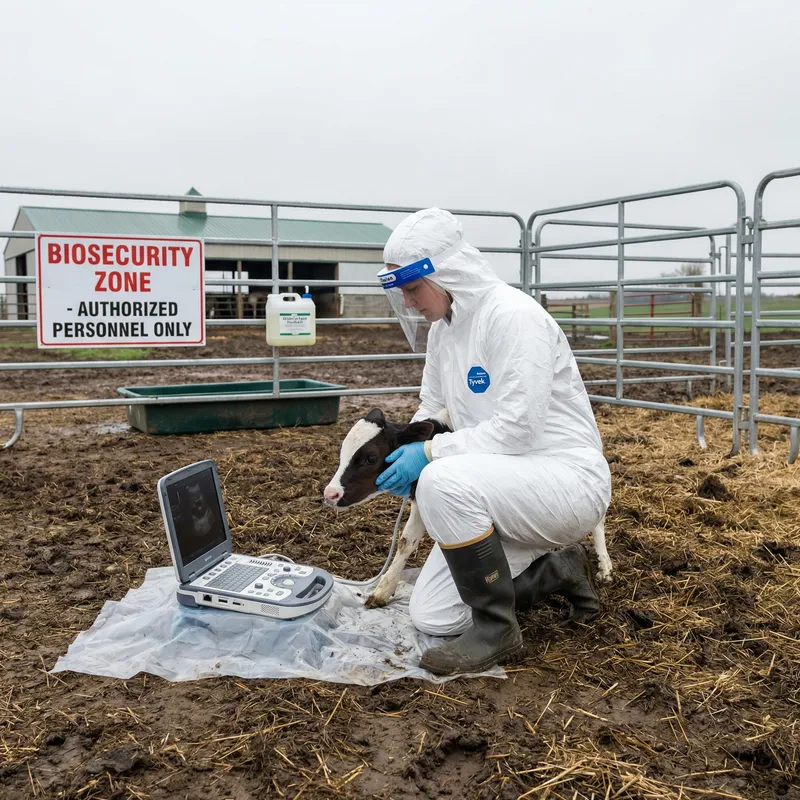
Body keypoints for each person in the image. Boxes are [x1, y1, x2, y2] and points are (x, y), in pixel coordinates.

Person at [374, 208, 611, 676]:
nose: (410, 303)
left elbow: (519, 430)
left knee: (441, 478)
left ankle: (498, 629)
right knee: (436, 617)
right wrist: (406, 446)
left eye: (413, 289)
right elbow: (431, 410)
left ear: (447, 275)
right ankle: (558, 571)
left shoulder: (512, 317)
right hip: (502, 489)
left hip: (564, 481)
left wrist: (431, 455)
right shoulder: (445, 331)